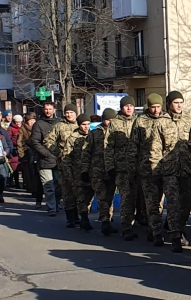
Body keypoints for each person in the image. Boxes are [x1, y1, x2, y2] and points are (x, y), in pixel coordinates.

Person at [148, 91, 191, 251]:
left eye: (181, 102)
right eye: (176, 102)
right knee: (173, 203)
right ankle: (175, 235)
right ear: (169, 104)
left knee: (187, 203)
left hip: (187, 169)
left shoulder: (189, 121)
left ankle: (179, 228)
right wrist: (156, 171)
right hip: (169, 170)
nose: (179, 105)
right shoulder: (161, 122)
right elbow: (156, 149)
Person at [106, 96, 144, 239]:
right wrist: (110, 166)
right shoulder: (114, 123)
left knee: (140, 196)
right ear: (121, 107)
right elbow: (108, 146)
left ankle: (141, 221)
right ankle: (126, 226)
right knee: (126, 197)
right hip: (122, 167)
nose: (129, 108)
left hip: (139, 166)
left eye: (131, 106)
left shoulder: (139, 121)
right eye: (126, 106)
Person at [45, 104, 82, 227]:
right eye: (67, 112)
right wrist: (58, 153)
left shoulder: (79, 125)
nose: (69, 115)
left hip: (78, 163)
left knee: (79, 190)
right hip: (64, 163)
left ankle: (79, 215)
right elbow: (48, 141)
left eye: (71, 112)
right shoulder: (59, 126)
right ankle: (70, 217)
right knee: (67, 190)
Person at [135, 94, 166, 241]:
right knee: (151, 200)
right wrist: (132, 167)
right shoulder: (140, 121)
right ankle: (155, 230)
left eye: (158, 107)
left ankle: (155, 226)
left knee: (162, 200)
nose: (155, 110)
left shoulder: (166, 120)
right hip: (146, 167)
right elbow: (133, 146)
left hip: (165, 166)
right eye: (153, 107)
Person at [29, 101, 62, 216]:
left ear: (54, 110)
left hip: (59, 158)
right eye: (46, 109)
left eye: (50, 109)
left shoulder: (59, 122)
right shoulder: (38, 124)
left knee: (59, 185)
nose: (48, 111)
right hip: (44, 159)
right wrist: (47, 154)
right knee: (49, 186)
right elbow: (35, 142)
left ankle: (58, 204)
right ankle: (51, 208)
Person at [68, 115, 97, 231]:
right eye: (83, 124)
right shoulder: (73, 138)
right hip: (77, 171)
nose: (86, 127)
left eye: (88, 124)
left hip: (92, 171)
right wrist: (69, 174)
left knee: (89, 197)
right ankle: (84, 219)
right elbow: (67, 157)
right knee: (81, 197)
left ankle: (85, 213)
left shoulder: (93, 135)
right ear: (79, 125)